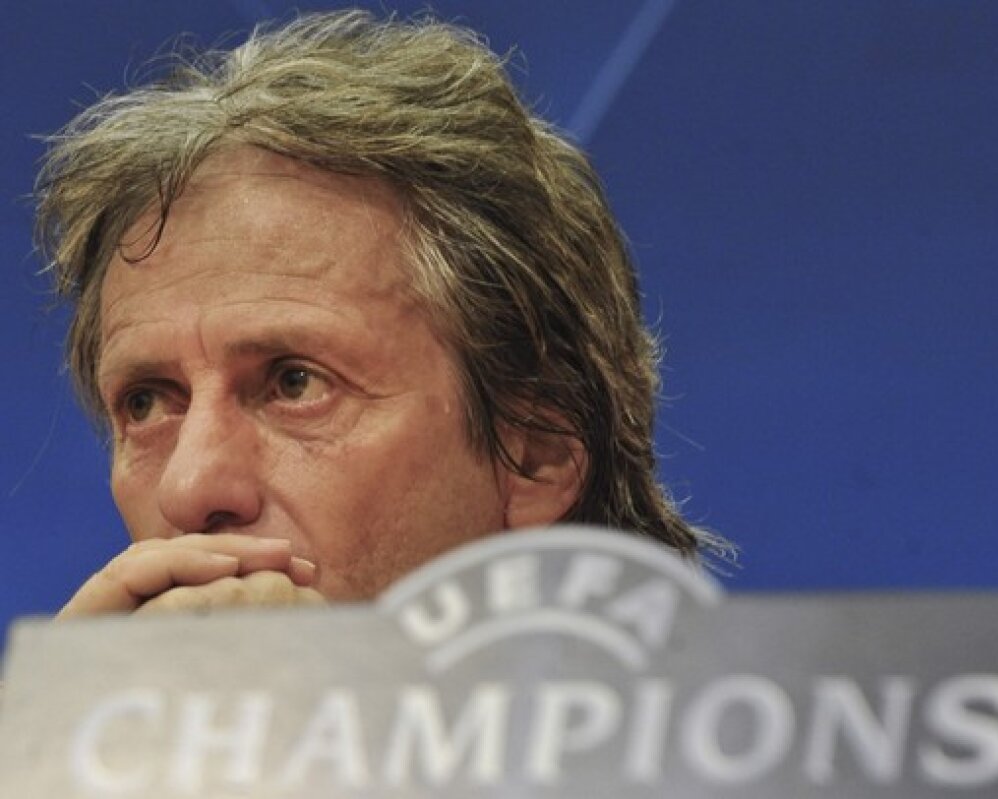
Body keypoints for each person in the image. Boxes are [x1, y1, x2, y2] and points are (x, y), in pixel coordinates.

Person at [36, 10, 720, 618]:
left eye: (295, 382)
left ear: (534, 456)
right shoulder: (47, 727)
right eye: (147, 404)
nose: (188, 489)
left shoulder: (759, 721)